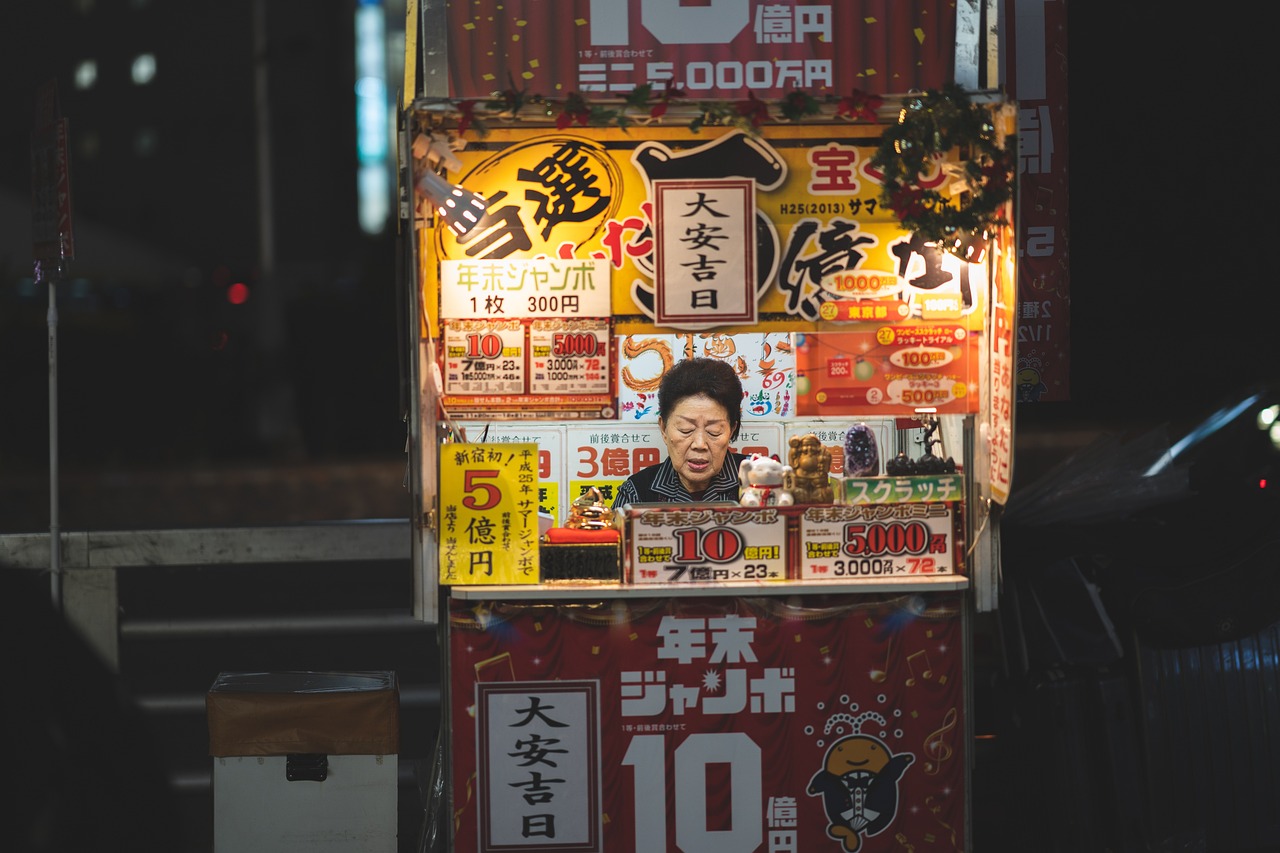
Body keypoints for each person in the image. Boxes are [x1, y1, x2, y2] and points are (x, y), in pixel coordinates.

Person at [613, 357, 749, 507]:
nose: (699, 444)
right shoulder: (636, 493)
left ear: (731, 431)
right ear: (664, 429)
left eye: (714, 431)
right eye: (686, 429)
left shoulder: (760, 479)